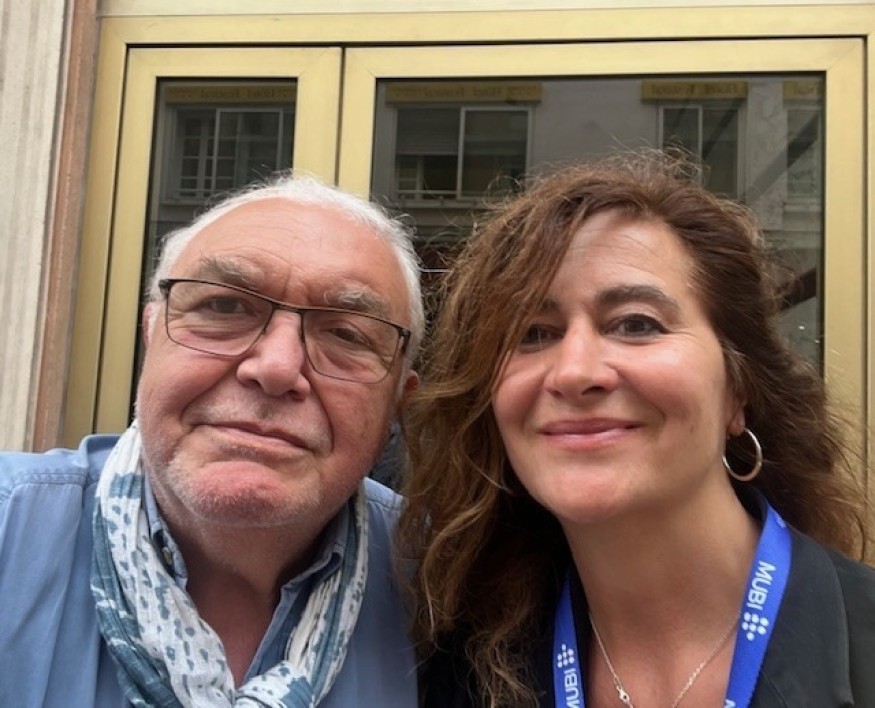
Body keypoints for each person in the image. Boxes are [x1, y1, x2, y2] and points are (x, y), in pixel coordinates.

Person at [397, 151, 875, 708]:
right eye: (533, 334)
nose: (574, 373)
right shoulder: (455, 669)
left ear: (739, 389)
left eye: (636, 324)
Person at [0, 174, 423, 707]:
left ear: (398, 401)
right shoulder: (10, 527)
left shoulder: (446, 586)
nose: (276, 367)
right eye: (224, 307)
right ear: (152, 334)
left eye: (346, 334)